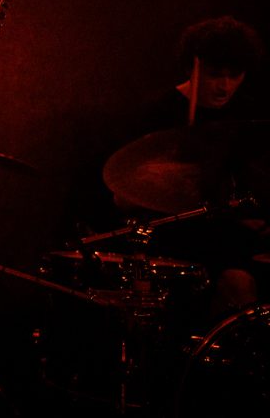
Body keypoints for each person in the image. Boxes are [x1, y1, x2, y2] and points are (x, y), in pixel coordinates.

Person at [109, 16, 269, 319]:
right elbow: (125, 196)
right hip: (173, 236)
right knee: (236, 283)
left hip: (227, 235)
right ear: (191, 68)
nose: (225, 86)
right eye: (214, 74)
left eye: (234, 75)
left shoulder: (247, 116)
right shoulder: (158, 115)